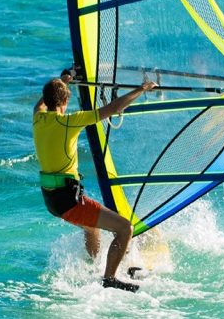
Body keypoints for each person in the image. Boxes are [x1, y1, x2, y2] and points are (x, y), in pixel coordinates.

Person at [33, 73, 157, 292]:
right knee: (124, 228)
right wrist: (141, 89)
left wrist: (63, 82)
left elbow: (40, 103)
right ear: (65, 102)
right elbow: (114, 108)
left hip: (50, 199)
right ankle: (109, 278)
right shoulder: (70, 122)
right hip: (68, 200)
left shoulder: (38, 118)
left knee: (91, 228)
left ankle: (94, 267)